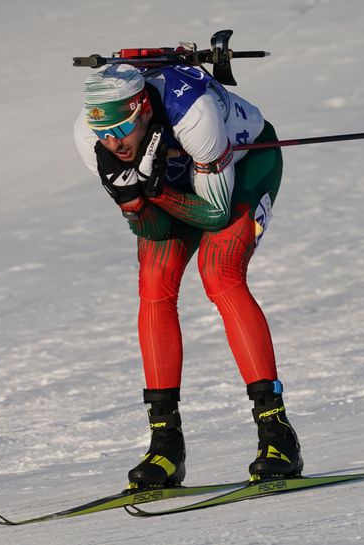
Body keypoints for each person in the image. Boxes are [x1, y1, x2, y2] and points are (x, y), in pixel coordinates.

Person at [73, 63, 302, 491]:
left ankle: (277, 433)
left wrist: (155, 189)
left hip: (246, 164)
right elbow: (156, 231)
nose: (113, 142)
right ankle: (165, 445)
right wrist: (131, 203)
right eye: (103, 133)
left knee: (219, 274)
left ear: (142, 109)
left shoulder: (192, 115)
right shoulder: (92, 140)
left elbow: (214, 214)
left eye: (120, 128)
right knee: (154, 284)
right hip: (181, 177)